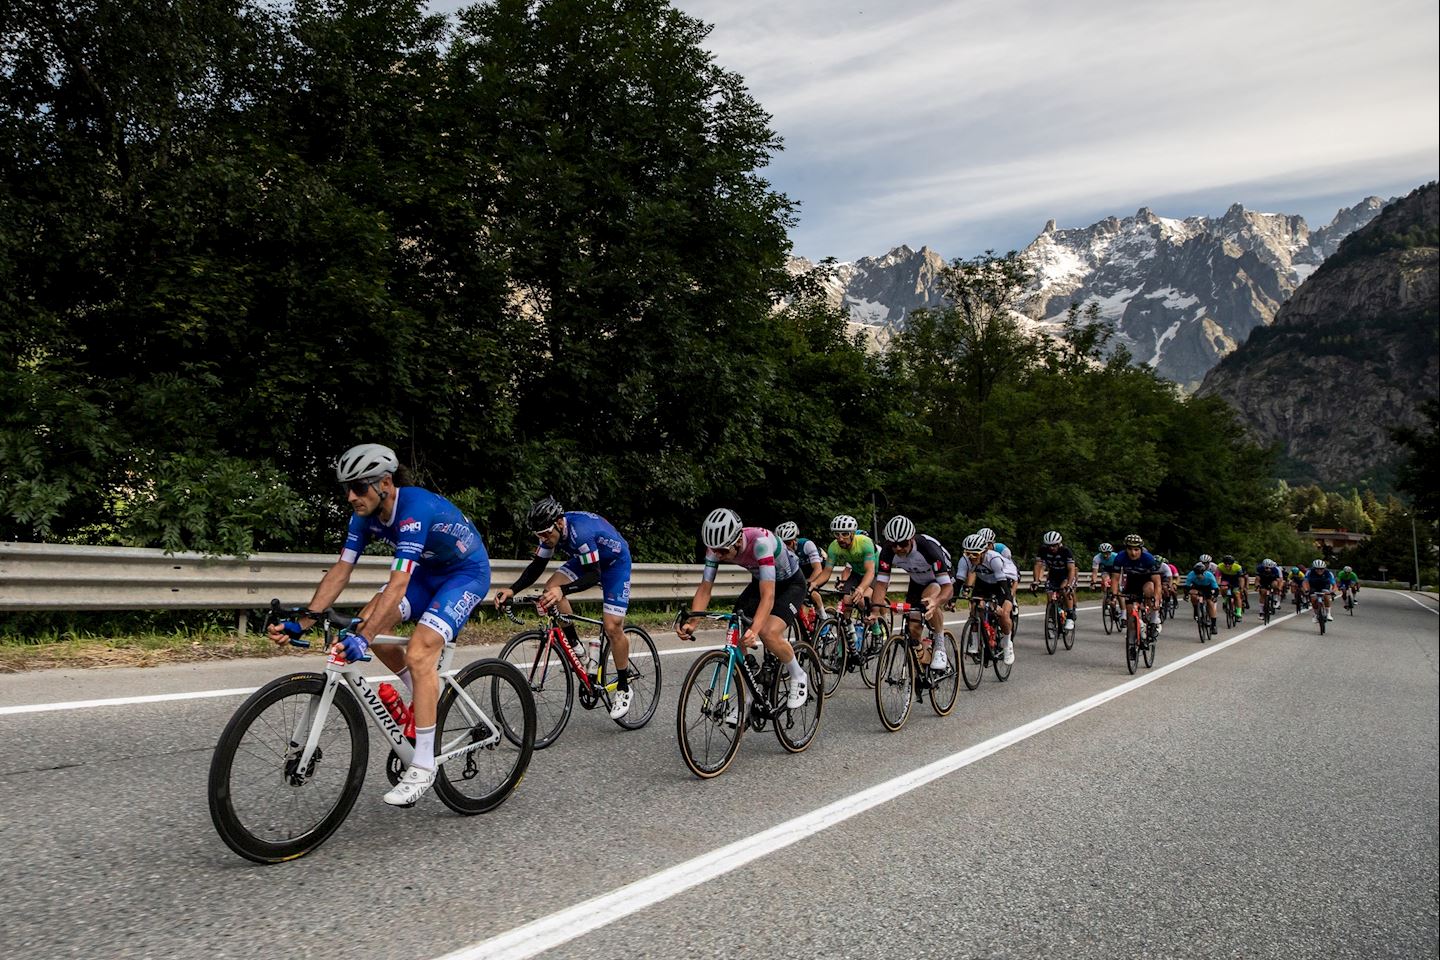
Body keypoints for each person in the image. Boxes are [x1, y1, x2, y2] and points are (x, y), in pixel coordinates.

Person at [269, 443, 490, 806]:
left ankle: (423, 765)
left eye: (358, 487)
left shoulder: (413, 510)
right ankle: (425, 691)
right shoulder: (363, 515)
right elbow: (342, 570)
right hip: (427, 573)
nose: (350, 496)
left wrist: (366, 634)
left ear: (384, 483)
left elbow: (398, 583)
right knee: (362, 629)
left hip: (465, 574)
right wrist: (303, 621)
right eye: (346, 489)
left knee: (418, 652)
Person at [492, 497, 636, 720]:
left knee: (612, 627)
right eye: (538, 535)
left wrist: (564, 591)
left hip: (614, 564)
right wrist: (513, 589)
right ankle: (577, 647)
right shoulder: (550, 533)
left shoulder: (582, 532)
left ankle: (624, 688)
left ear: (559, 523)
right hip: (587, 558)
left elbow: (594, 575)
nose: (543, 539)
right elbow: (537, 566)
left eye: (546, 534)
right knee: (551, 587)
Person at [677, 509, 810, 709]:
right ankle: (749, 690)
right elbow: (705, 587)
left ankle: (798, 674)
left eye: (723, 551)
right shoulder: (715, 549)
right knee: (734, 628)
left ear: (738, 541)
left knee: (768, 632)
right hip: (761, 581)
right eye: (715, 550)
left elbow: (769, 596)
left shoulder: (760, 543)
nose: (718, 555)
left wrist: (755, 630)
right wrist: (693, 622)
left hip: (791, 584)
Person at [868, 515, 955, 671]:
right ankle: (922, 663)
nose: (898, 548)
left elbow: (947, 588)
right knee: (913, 628)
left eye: (902, 544)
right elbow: (881, 584)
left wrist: (936, 602)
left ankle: (940, 646)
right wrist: (875, 612)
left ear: (911, 539)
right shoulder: (887, 552)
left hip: (941, 579)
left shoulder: (928, 549)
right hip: (917, 580)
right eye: (894, 545)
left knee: (928, 599)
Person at [956, 532, 1019, 665]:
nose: (971, 558)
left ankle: (1007, 643)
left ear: (984, 552)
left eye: (975, 554)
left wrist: (1008, 599)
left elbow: (1002, 582)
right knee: (974, 606)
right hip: (984, 583)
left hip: (1001, 582)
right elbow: (959, 580)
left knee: (1003, 613)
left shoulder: (994, 559)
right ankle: (974, 642)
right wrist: (952, 600)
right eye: (968, 554)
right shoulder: (965, 560)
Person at [1111, 534, 1163, 634]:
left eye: (1136, 549)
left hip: (1146, 580)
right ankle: (1134, 641)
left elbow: (1157, 582)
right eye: (1130, 549)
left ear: (1141, 549)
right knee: (1130, 612)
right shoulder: (1120, 557)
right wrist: (1113, 595)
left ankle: (1154, 621)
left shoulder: (1148, 558)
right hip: (1132, 581)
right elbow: (1115, 579)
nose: (1133, 553)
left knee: (1149, 589)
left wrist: (1156, 598)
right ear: (1126, 549)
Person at [776, 521, 826, 618]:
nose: (786, 547)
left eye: (788, 543)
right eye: (783, 544)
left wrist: (808, 582)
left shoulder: (807, 544)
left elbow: (818, 569)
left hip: (818, 567)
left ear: (795, 540)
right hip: (801, 569)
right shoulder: (781, 551)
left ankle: (823, 616)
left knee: (812, 590)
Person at [1032, 531, 1078, 633]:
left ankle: (1070, 616)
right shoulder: (1043, 550)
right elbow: (1038, 565)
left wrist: (1070, 584)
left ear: (1059, 544)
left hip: (1066, 575)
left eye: (1054, 546)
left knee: (1064, 590)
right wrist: (1036, 581)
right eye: (1049, 546)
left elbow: (1071, 569)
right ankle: (1053, 620)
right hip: (1053, 575)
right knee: (1050, 599)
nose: (1051, 548)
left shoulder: (1066, 551)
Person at [1185, 561, 1220, 628]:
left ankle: (1214, 624)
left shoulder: (1209, 575)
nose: (1198, 575)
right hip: (1196, 586)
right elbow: (1187, 587)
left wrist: (1214, 596)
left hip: (1207, 587)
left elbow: (1216, 588)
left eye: (1200, 574)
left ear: (1204, 572)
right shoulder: (1191, 575)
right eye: (1196, 574)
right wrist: (1186, 594)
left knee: (1210, 602)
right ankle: (1196, 609)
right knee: (1193, 595)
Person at [1215, 554, 1248, 621]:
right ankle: (1225, 599)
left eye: (1229, 564)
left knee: (1237, 594)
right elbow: (1217, 577)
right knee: (1223, 588)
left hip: (1235, 579)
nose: (1227, 565)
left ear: (1232, 563)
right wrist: (1217, 585)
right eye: (1225, 564)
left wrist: (1241, 587)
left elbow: (1241, 578)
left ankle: (1238, 613)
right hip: (1226, 578)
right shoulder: (1220, 566)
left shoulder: (1238, 567)